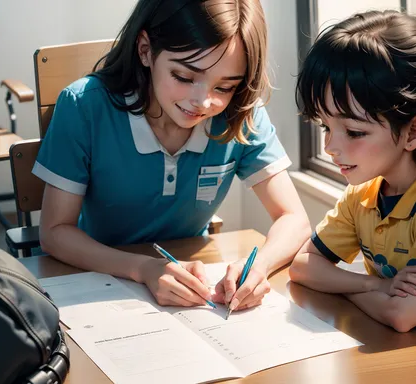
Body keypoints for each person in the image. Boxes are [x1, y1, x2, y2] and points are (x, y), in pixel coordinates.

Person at [33, 0, 310, 311]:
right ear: (145, 50)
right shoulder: (84, 106)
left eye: (225, 87)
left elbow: (294, 219)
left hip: (193, 284)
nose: (203, 102)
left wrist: (258, 267)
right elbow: (55, 233)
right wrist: (143, 269)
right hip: (95, 280)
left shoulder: (241, 114)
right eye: (184, 77)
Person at [290, 9, 416, 334]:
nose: (331, 147)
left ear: (412, 132)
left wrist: (345, 285)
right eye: (325, 127)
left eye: (354, 132)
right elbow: (303, 266)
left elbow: (401, 315)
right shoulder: (362, 196)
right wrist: (373, 286)